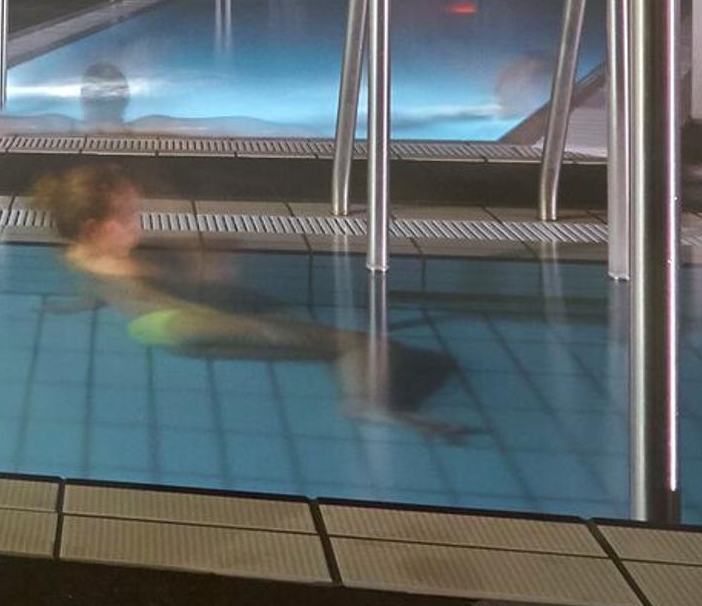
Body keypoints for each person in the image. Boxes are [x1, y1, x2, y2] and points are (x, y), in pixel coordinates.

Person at [28, 163, 470, 438]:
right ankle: (370, 404)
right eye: (129, 217)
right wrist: (208, 265)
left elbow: (100, 289)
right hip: (180, 324)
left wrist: (77, 305)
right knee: (361, 345)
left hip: (156, 326)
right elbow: (193, 282)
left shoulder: (77, 255)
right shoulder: (135, 264)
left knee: (287, 332)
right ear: (94, 228)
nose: (139, 223)